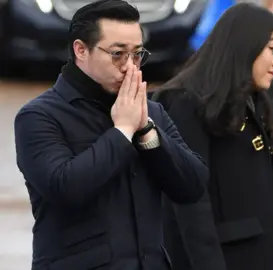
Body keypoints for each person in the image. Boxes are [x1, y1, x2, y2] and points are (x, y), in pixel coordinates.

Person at [13, 1, 208, 269]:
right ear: (81, 50)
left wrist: (146, 132)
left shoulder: (149, 112)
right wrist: (122, 131)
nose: (130, 66)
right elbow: (64, 188)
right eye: (118, 54)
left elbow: (193, 185)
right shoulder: (39, 116)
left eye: (137, 54)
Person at [150, 4, 273, 270]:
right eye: (271, 48)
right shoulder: (187, 102)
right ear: (245, 44)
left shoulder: (252, 100)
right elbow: (191, 201)